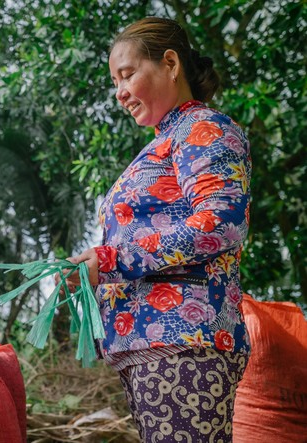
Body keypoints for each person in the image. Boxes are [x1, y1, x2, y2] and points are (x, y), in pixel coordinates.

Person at [62, 17, 252, 442]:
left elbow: (221, 222)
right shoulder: (166, 141)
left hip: (184, 341)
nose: (119, 92)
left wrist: (109, 261)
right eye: (115, 82)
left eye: (127, 74)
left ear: (170, 63)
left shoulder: (204, 130)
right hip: (154, 346)